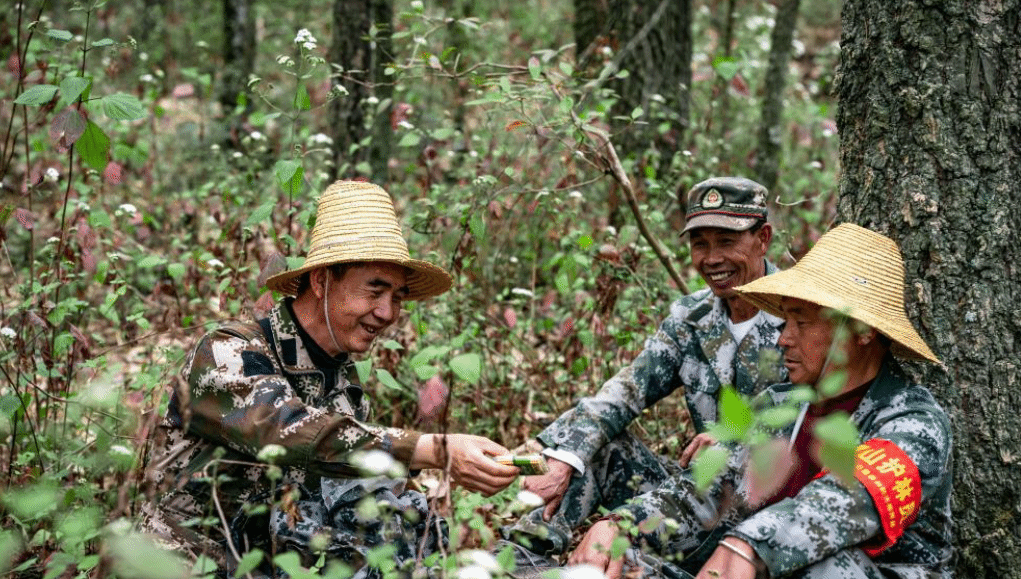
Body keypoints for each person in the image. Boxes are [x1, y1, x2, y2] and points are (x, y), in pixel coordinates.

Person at [141, 180, 519, 577]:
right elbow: (287, 430)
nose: (388, 313)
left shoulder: (342, 386)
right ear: (322, 281)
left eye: (398, 297)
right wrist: (432, 449)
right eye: (375, 290)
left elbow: (362, 488)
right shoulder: (230, 352)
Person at [568, 223, 952, 579]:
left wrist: (748, 545)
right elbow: (707, 493)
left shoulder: (912, 424)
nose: (784, 338)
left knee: (831, 566)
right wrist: (621, 525)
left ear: (862, 331)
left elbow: (847, 500)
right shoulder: (779, 406)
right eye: (785, 323)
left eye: (801, 323)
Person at [506, 177, 788, 559]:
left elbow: (818, 419)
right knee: (596, 446)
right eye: (699, 244)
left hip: (771, 518)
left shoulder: (800, 316)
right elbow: (625, 392)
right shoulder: (692, 318)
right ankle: (520, 557)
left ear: (763, 238)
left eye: (726, 242)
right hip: (697, 498)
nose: (711, 259)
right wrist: (559, 456)